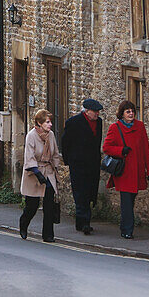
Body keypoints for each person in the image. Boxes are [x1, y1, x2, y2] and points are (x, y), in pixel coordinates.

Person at [103, 100, 149, 239]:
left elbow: (145, 149)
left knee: (131, 200)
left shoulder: (140, 126)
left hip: (137, 170)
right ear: (122, 114)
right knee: (126, 201)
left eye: (132, 111)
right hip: (124, 172)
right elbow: (106, 148)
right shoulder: (115, 128)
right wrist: (121, 150)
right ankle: (127, 230)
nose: (131, 114)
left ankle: (124, 225)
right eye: (128, 112)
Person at [61, 98, 104, 235]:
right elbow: (65, 143)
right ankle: (84, 222)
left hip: (92, 164)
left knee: (90, 193)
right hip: (78, 164)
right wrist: (68, 161)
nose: (97, 114)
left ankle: (82, 221)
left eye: (98, 112)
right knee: (80, 193)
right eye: (95, 112)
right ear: (87, 111)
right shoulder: (73, 123)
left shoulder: (99, 123)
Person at [19, 108, 61, 242]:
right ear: (39, 123)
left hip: (48, 171)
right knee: (32, 206)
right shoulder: (31, 136)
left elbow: (55, 154)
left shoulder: (51, 135)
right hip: (34, 173)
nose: (50, 125)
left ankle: (48, 235)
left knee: (49, 205)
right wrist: (37, 173)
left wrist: (56, 170)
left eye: (50, 122)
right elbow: (29, 157)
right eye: (47, 122)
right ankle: (24, 224)